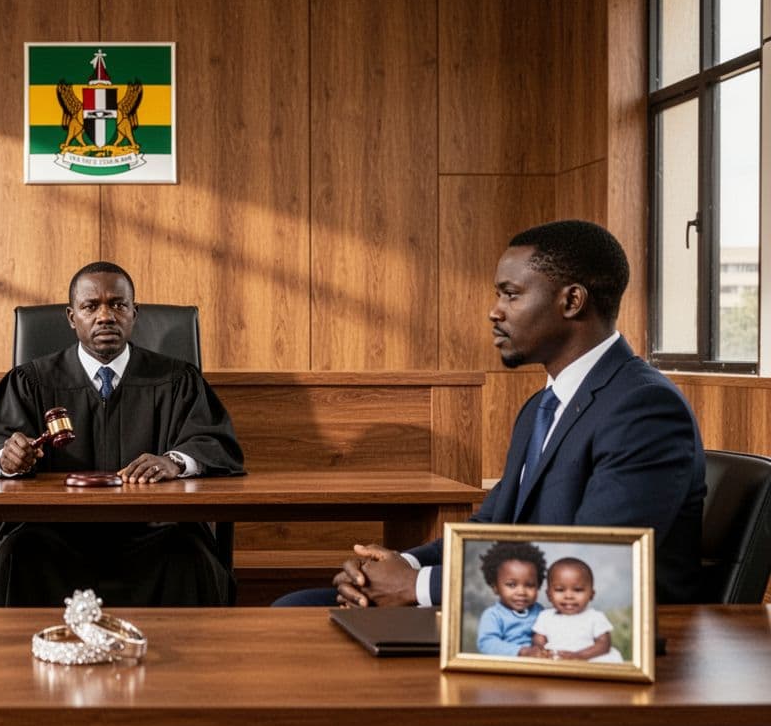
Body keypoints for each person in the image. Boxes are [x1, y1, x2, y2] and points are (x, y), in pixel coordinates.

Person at [274, 219, 703, 608]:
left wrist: (417, 587)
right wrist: (391, 566)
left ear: (572, 301)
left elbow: (596, 567)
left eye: (511, 294)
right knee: (297, 610)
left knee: (300, 619)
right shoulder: (542, 406)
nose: (494, 310)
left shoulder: (644, 408)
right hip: (521, 615)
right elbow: (491, 529)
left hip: (588, 639)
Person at [0, 261, 245, 606]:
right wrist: (5, 459)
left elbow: (215, 442)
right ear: (71, 316)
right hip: (53, 534)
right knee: (16, 553)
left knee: (190, 553)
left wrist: (175, 462)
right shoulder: (31, 381)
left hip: (156, 533)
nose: (105, 316)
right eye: (91, 306)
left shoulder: (176, 379)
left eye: (118, 305)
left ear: (134, 313)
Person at [531, 557, 624, 662]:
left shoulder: (595, 617)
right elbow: (538, 639)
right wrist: (542, 649)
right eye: (560, 590)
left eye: (578, 590)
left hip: (588, 658)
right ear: (549, 595)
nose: (569, 596)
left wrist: (578, 656)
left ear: (591, 595)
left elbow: (604, 644)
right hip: (556, 658)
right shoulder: (545, 616)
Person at [475, 541, 546, 657]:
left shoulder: (541, 612)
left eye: (529, 585)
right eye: (512, 585)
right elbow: (487, 643)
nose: (521, 592)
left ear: (538, 586)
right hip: (506, 667)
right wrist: (522, 651)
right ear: (495, 588)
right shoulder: (493, 615)